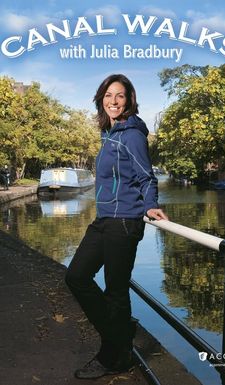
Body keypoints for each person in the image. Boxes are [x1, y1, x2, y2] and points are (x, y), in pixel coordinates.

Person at [65, 74, 167, 380]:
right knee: (77, 276)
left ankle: (113, 355)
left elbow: (146, 176)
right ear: (101, 99)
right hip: (105, 219)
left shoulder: (132, 134)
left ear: (129, 99)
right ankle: (121, 335)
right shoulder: (110, 133)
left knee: (116, 291)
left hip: (124, 222)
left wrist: (150, 204)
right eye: (109, 95)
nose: (113, 101)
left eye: (119, 96)